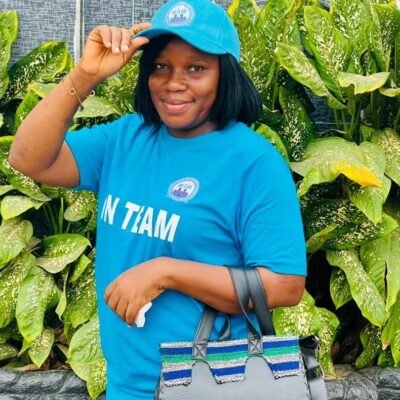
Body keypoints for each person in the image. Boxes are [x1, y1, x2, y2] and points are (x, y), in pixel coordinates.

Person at [9, 0, 307, 398]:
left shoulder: (253, 162)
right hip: (126, 386)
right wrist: (86, 75)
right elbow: (27, 158)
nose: (173, 83)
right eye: (161, 66)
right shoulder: (126, 138)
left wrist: (166, 271)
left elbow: (285, 286)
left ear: (226, 76)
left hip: (209, 387)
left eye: (196, 68)